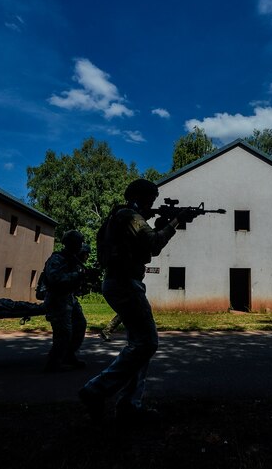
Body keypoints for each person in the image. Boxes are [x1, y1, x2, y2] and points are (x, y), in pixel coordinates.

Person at [78, 179, 196, 424]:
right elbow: (153, 245)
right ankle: (95, 390)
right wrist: (175, 222)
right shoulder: (130, 216)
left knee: (139, 344)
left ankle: (130, 404)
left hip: (120, 281)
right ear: (143, 198)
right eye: (151, 199)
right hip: (124, 282)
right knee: (147, 343)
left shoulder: (120, 216)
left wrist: (163, 223)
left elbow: (145, 241)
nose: (153, 203)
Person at [41, 231, 90, 372]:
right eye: (78, 243)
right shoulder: (57, 258)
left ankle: (68, 355)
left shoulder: (73, 259)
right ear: (71, 243)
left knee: (80, 325)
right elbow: (55, 279)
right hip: (57, 299)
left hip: (69, 299)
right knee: (63, 332)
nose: (80, 246)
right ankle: (53, 363)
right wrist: (79, 274)